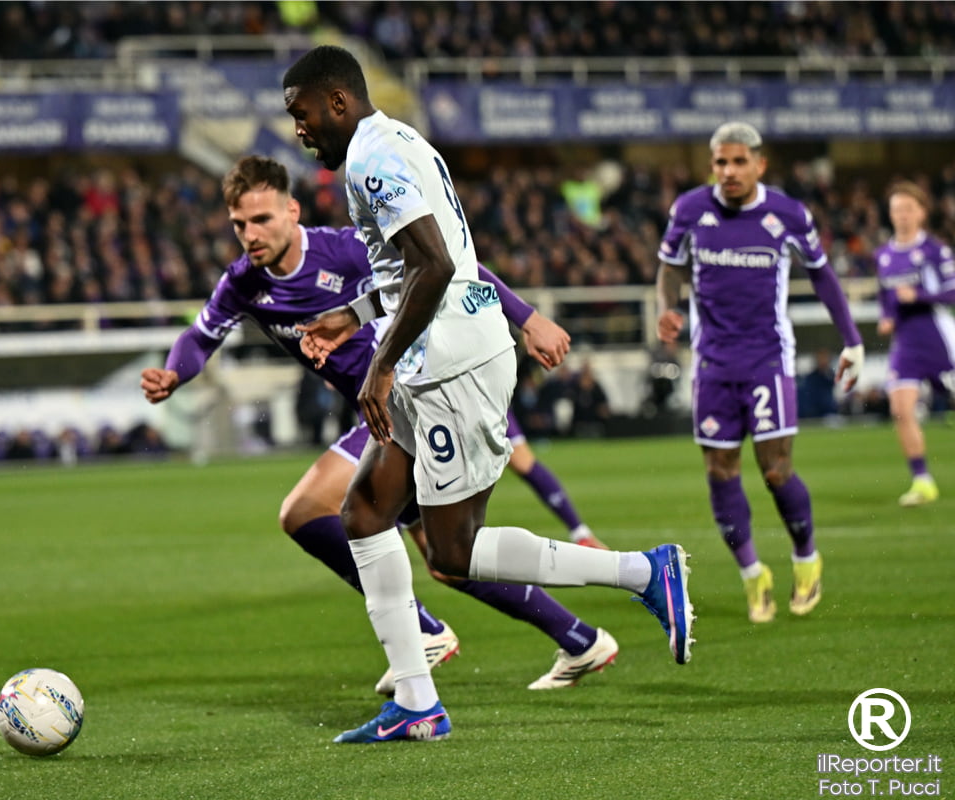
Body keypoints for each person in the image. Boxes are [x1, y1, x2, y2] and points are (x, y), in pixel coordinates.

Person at [283, 45, 692, 744]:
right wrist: (353, 314)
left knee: (452, 552)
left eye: (302, 113)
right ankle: (417, 703)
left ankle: (642, 571)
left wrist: (379, 364)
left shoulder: (374, 161)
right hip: (433, 356)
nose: (298, 128)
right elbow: (413, 265)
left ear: (338, 101)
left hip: (452, 365)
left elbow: (436, 264)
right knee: (365, 513)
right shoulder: (395, 142)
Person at [142, 155, 615, 696]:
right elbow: (200, 337)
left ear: (292, 211)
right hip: (383, 414)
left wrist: (526, 318)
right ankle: (580, 639)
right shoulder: (243, 284)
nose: (251, 234)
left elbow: (447, 265)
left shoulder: (344, 251)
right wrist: (174, 373)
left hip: (413, 399)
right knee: (448, 557)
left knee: (305, 510)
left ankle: (424, 631)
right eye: (239, 224)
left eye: (262, 219)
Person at [655, 121, 864, 625]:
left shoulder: (788, 214)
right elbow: (670, 265)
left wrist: (853, 340)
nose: (728, 171)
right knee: (720, 470)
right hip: (712, 364)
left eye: (738, 162)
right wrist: (668, 307)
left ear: (759, 164)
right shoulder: (689, 209)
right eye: (720, 162)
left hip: (768, 360)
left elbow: (821, 274)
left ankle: (806, 558)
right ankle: (753, 575)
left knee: (775, 470)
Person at [875, 181, 955, 507]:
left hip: (939, 339)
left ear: (922, 212)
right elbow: (885, 296)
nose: (902, 215)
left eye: (908, 209)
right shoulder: (883, 255)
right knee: (900, 409)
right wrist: (887, 317)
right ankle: (922, 481)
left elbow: (952, 291)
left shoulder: (936, 251)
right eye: (896, 209)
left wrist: (918, 296)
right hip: (906, 343)